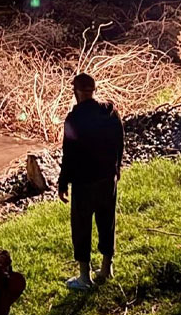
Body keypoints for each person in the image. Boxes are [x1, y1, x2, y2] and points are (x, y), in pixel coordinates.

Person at [57, 74, 124, 290]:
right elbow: (120, 142)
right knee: (107, 220)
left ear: (75, 92)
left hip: (84, 181)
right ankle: (106, 268)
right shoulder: (110, 112)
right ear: (93, 90)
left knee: (82, 226)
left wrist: (62, 183)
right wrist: (117, 167)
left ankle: (85, 277)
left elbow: (69, 154)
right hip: (107, 177)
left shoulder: (74, 119)